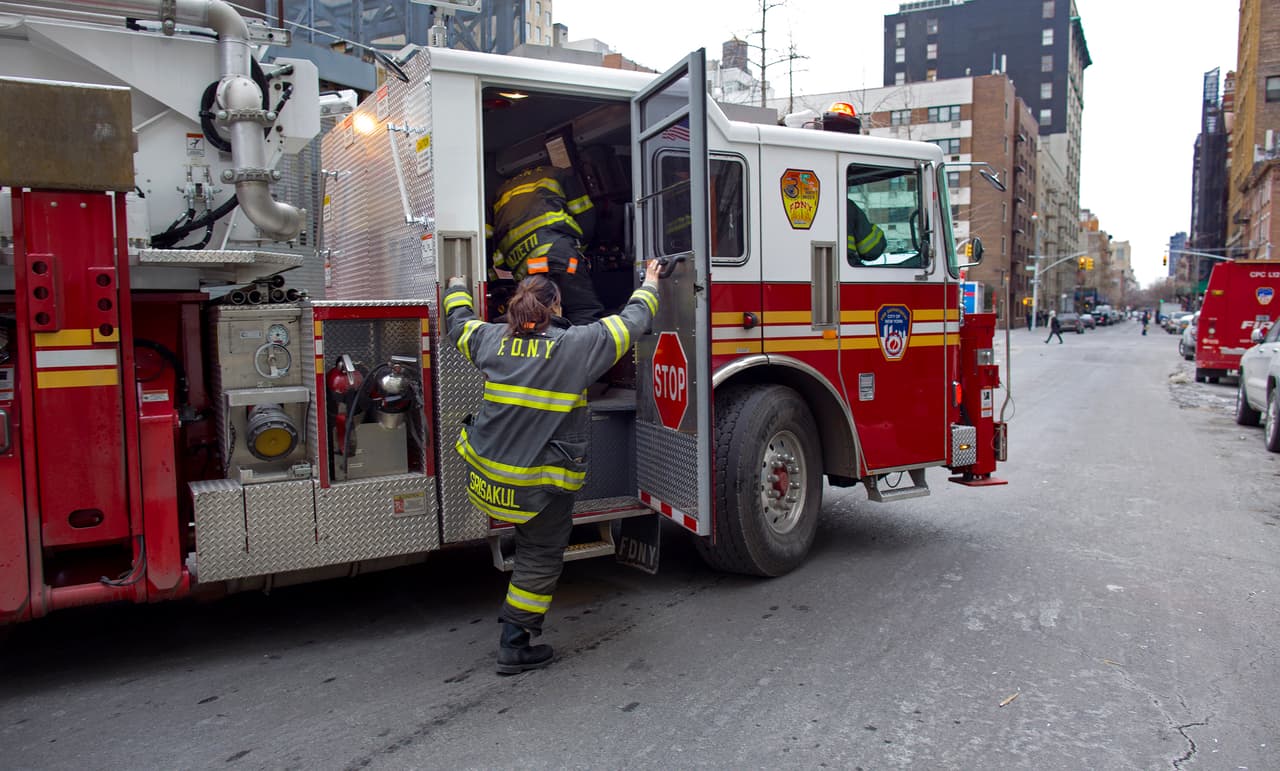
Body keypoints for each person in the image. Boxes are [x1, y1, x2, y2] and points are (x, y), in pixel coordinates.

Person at [444, 260, 662, 674]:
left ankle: (515, 624)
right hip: (537, 489)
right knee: (540, 554)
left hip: (487, 482)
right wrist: (650, 281)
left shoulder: (490, 339)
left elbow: (458, 321)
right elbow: (633, 320)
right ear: (556, 307)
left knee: (529, 544)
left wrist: (455, 284)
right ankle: (515, 641)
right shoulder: (575, 346)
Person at [490, 165, 604, 325]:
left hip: (529, 267)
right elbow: (586, 216)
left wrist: (494, 279)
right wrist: (578, 251)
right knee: (582, 310)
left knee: (538, 317)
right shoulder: (557, 173)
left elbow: (491, 241)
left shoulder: (500, 192)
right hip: (560, 255)